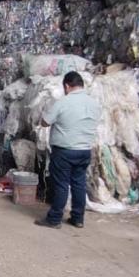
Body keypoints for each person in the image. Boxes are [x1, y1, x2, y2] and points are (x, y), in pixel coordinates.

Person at [34, 71, 100, 229]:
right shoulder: (94, 103)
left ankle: (54, 219)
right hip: (85, 151)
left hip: (65, 150)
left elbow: (45, 123)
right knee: (79, 184)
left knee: (61, 184)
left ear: (66, 86)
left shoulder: (63, 102)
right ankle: (78, 218)